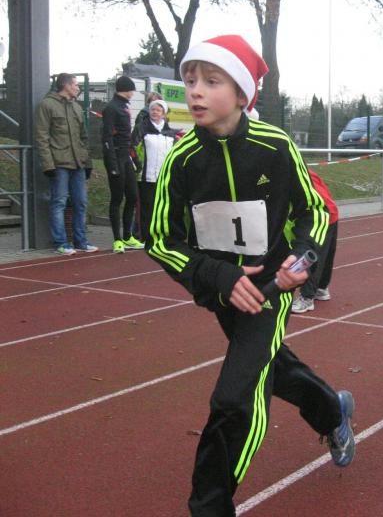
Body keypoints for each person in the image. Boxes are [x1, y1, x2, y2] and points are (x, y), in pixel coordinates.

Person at [146, 34, 355, 516]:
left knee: (235, 399)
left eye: (211, 81)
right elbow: (159, 239)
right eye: (190, 80)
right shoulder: (181, 159)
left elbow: (315, 210)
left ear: (242, 94)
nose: (196, 91)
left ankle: (210, 506)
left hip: (271, 291)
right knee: (271, 367)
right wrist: (218, 277)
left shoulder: (275, 146)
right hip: (223, 293)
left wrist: (302, 259)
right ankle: (332, 409)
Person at [34, 73, 97, 254]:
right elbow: (42, 137)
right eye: (75, 84)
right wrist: (48, 165)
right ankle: (61, 243)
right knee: (59, 202)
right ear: (66, 85)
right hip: (59, 163)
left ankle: (81, 241)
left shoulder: (76, 107)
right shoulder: (47, 105)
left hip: (78, 164)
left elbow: (83, 138)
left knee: (81, 203)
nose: (78, 88)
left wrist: (87, 162)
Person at [102, 75, 144, 253]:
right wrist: (112, 164)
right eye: (131, 89)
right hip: (116, 157)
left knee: (133, 196)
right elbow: (107, 137)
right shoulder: (111, 108)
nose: (133, 93)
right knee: (117, 198)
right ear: (125, 89)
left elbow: (128, 138)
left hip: (126, 156)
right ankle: (117, 239)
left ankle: (128, 236)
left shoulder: (124, 106)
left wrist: (135, 159)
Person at [130, 98, 178, 243]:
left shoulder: (170, 133)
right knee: (147, 207)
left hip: (164, 177)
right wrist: (138, 165)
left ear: (164, 113)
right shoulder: (141, 128)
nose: (155, 112)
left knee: (163, 208)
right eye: (152, 109)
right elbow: (132, 148)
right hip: (146, 177)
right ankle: (146, 236)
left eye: (158, 110)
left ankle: (162, 235)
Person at [291, 168, 339, 313]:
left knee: (312, 254)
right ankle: (322, 288)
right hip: (330, 210)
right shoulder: (305, 170)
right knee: (326, 253)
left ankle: (307, 297)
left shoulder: (291, 173)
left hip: (320, 214)